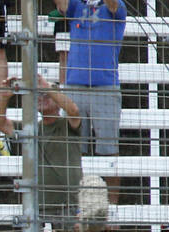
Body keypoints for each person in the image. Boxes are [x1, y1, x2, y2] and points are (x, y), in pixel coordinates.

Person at [57, 0, 127, 203]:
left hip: (105, 87)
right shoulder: (77, 6)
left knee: (110, 151)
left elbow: (113, 4)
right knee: (75, 151)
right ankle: (76, 206)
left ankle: (111, 209)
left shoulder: (116, 7)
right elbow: (61, 5)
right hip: (75, 85)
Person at [0, 75, 82, 226]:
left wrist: (46, 86)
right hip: (39, 207)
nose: (42, 98)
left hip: (69, 206)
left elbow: (73, 110)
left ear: (58, 101)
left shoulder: (68, 124)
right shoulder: (30, 128)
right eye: (39, 95)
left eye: (47, 95)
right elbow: (0, 123)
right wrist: (5, 98)